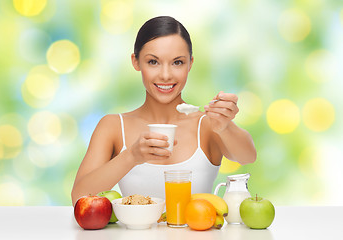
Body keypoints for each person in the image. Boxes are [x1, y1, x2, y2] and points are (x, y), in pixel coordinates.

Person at [71, 16, 256, 206]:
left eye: (177, 62)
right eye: (153, 62)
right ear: (136, 62)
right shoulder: (113, 126)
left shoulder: (208, 124)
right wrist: (132, 156)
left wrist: (225, 126)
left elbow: (248, 156)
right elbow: (79, 196)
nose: (166, 75)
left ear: (190, 63)